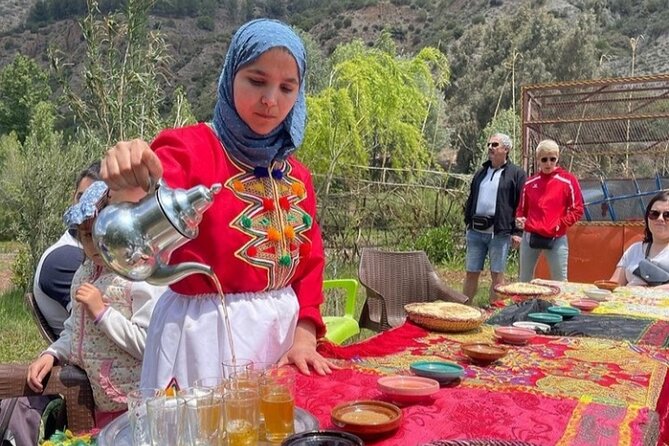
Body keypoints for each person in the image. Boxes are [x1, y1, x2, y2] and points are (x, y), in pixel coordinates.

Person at [100, 18, 338, 390]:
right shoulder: (189, 149)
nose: (271, 100)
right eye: (257, 81)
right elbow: (146, 196)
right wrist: (127, 172)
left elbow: (310, 265)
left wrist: (305, 334)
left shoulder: (297, 176)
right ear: (230, 77)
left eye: (287, 87)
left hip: (285, 342)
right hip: (204, 343)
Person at [26, 181, 165, 428]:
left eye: (106, 232)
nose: (96, 244)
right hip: (101, 401)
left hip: (136, 405)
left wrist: (102, 313)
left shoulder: (139, 275)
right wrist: (53, 354)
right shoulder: (84, 273)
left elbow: (148, 343)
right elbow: (75, 329)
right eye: (88, 235)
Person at [33, 161, 101, 337]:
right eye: (80, 197)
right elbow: (90, 327)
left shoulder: (92, 256)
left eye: (96, 200)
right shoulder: (65, 259)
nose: (85, 207)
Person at [463, 133, 526, 301]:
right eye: (489, 144)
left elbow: (522, 205)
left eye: (495, 144)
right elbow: (471, 199)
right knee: (471, 272)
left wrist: (518, 233)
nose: (490, 147)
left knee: (497, 275)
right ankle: (463, 311)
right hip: (475, 232)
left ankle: (494, 315)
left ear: (506, 149)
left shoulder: (517, 174)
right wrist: (467, 222)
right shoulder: (481, 173)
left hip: (499, 233)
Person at [515, 139, 584, 282]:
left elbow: (577, 209)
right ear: (538, 160)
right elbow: (521, 210)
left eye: (552, 159)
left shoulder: (568, 180)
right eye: (544, 159)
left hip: (557, 237)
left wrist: (561, 224)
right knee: (524, 279)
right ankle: (524, 304)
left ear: (557, 159)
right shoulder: (529, 183)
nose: (548, 163)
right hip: (530, 237)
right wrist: (520, 220)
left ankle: (559, 304)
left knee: (560, 280)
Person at [610, 191, 669, 288]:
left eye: (667, 215)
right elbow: (615, 284)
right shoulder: (634, 250)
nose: (660, 219)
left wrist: (650, 292)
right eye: (654, 214)